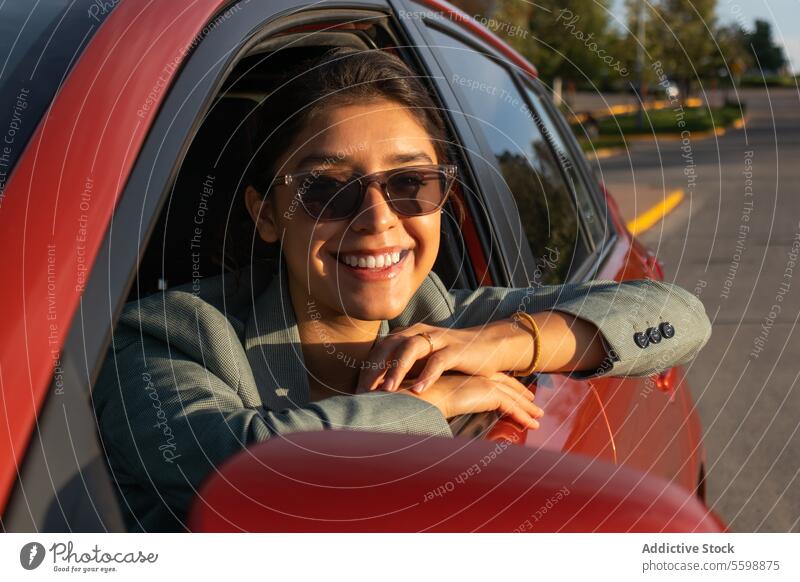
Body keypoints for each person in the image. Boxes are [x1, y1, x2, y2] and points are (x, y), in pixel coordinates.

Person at [93, 47, 712, 532]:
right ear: (268, 213)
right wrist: (430, 403)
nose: (377, 218)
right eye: (326, 188)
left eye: (411, 183)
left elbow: (678, 314)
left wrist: (503, 344)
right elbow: (241, 468)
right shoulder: (170, 335)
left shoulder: (448, 322)